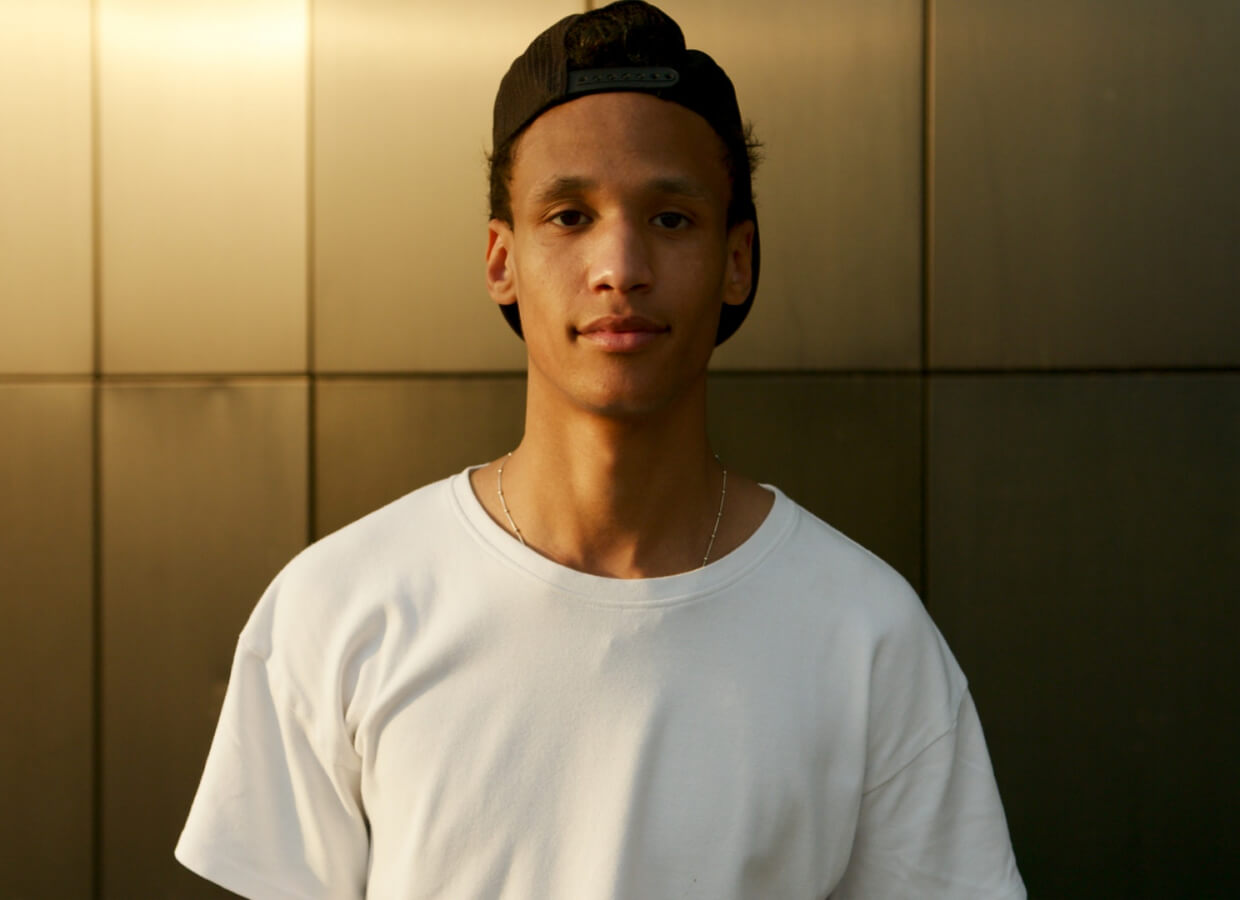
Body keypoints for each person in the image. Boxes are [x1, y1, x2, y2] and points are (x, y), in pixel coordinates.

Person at [176, 2, 1026, 897]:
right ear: (501, 260)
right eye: (570, 215)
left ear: (738, 260)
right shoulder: (339, 609)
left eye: (671, 218)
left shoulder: (868, 635)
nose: (620, 267)